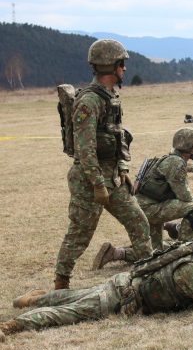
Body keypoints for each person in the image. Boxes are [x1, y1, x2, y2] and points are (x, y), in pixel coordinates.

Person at [0, 224, 193, 342]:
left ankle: (35, 299)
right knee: (69, 312)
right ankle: (11, 325)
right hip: (122, 294)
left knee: (71, 298)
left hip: (125, 284)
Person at [54, 39, 153, 290]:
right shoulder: (89, 102)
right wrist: (98, 184)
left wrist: (123, 169)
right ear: (111, 65)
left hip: (112, 176)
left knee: (138, 221)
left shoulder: (111, 97)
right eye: (122, 64)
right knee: (80, 233)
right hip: (89, 179)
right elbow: (84, 149)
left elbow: (117, 137)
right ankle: (61, 282)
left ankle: (149, 275)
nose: (125, 69)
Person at [92, 127, 193, 269]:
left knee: (154, 254)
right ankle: (185, 250)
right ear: (186, 145)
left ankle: (115, 253)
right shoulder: (176, 163)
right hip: (149, 209)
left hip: (145, 208)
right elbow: (184, 196)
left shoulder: (170, 159)